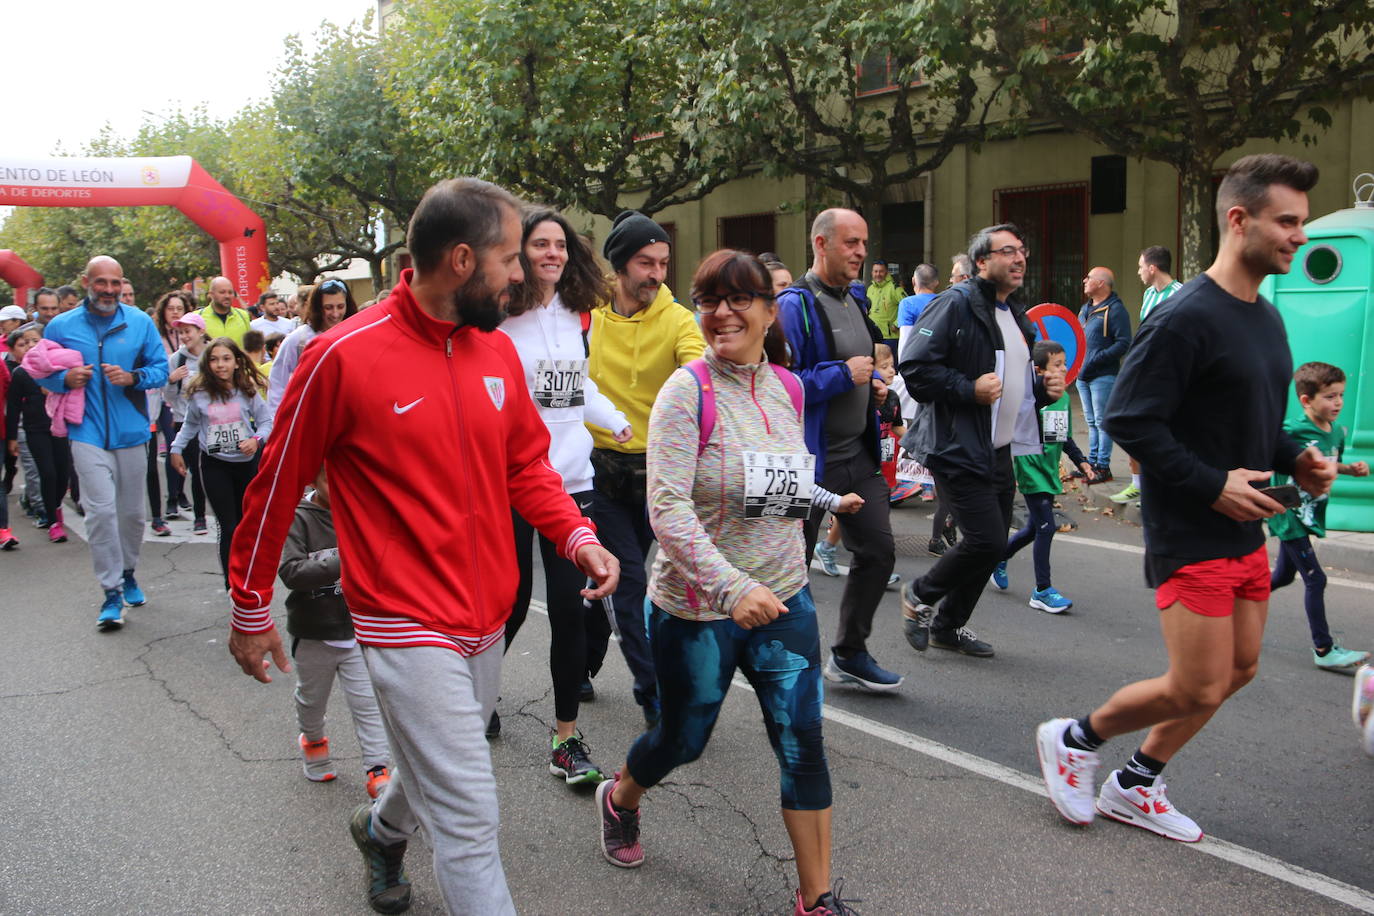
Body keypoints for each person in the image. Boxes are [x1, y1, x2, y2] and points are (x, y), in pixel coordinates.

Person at [226, 177, 619, 916]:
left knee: (443, 750)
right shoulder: (342, 356)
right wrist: (249, 608)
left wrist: (575, 535)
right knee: (470, 814)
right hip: (401, 616)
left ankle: (380, 832)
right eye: (511, 259)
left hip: (486, 614)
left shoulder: (496, 353)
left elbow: (526, 465)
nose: (526, 276)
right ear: (464, 260)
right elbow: (275, 486)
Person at [1035, 154, 1335, 843]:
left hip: (1246, 527)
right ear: (1239, 219)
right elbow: (1129, 419)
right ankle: (1074, 739)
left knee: (1238, 669)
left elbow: (1255, 421)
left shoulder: (1265, 318)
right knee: (1196, 684)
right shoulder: (1183, 318)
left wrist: (1300, 460)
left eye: (1302, 223)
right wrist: (1210, 484)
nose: (1298, 235)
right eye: (1287, 221)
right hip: (1190, 527)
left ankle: (1135, 784)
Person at [596, 250, 862, 916]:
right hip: (697, 607)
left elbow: (776, 480)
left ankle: (817, 898)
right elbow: (668, 508)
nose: (722, 313)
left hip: (784, 595)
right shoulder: (687, 392)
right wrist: (730, 589)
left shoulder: (790, 389)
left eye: (739, 298)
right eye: (708, 299)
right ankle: (621, 796)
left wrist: (828, 502)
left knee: (802, 739)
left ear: (771, 310)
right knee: (684, 739)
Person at [497, 206, 630, 776]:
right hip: (512, 480)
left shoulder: (580, 314)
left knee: (572, 612)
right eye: (539, 245)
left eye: (559, 245)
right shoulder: (498, 317)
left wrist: (614, 417)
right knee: (509, 605)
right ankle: (475, 698)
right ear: (519, 254)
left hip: (572, 481)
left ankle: (566, 738)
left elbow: (578, 389)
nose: (551, 253)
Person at [899, 223, 1065, 660]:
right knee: (987, 540)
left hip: (999, 448)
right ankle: (919, 593)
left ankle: (949, 626)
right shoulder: (953, 305)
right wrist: (966, 388)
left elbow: (1015, 387)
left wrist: (1044, 393)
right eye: (1007, 251)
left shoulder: (1016, 315)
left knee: (989, 546)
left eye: (1022, 250)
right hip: (956, 445)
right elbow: (914, 368)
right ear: (981, 262)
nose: (1018, 258)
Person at [587, 209, 705, 725]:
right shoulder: (584, 313)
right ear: (618, 266)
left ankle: (579, 665)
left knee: (611, 581)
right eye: (644, 262)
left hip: (656, 473)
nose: (656, 273)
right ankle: (652, 691)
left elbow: (698, 368)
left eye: (663, 262)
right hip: (595, 470)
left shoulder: (677, 318)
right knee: (630, 579)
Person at [779, 208, 902, 691]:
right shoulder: (795, 305)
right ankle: (786, 663)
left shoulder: (857, 301)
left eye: (864, 243)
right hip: (810, 463)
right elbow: (778, 384)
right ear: (821, 244)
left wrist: (875, 387)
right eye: (850, 243)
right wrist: (841, 376)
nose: (861, 252)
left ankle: (850, 652)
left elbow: (865, 367)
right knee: (793, 567)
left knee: (879, 552)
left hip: (857, 454)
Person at [34, 256, 169, 630]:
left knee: (130, 514)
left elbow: (160, 369)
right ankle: (110, 592)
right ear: (86, 282)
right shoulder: (61, 326)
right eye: (101, 283)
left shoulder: (139, 322)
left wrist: (131, 377)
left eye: (114, 283)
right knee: (100, 512)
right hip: (86, 431)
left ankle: (128, 572)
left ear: (121, 283)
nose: (108, 290)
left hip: (131, 431)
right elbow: (42, 372)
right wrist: (66, 379)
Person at [280, 465, 391, 797]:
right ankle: (313, 742)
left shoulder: (362, 511)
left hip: (357, 630)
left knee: (368, 703)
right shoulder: (299, 518)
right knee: (312, 701)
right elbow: (290, 571)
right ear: (313, 480)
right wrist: (347, 560)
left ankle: (377, 769)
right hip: (313, 631)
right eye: (332, 479)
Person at [1267, 361, 1370, 670]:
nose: (1337, 402)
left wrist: (1349, 469)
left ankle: (1236, 598)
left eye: (1340, 395)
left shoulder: (1335, 431)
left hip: (1311, 512)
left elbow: (1326, 463)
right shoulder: (1292, 430)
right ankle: (1324, 649)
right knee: (1316, 579)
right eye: (1329, 396)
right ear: (1306, 400)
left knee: (1284, 576)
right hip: (1290, 514)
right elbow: (1271, 449)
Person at [990, 340, 1095, 613]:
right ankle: (1042, 590)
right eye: (1056, 365)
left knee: (1034, 527)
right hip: (1030, 467)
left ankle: (999, 558)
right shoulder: (1030, 400)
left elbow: (1063, 436)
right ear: (1038, 371)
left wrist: (1082, 462)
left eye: (1064, 363)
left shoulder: (1060, 399)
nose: (1063, 369)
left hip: (1049, 470)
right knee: (1047, 527)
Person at [171, 337, 272, 590]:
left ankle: (250, 577)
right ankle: (232, 585)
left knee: (246, 524)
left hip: (247, 463)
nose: (220, 365)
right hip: (215, 463)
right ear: (207, 363)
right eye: (214, 359)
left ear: (237, 362)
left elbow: (267, 422)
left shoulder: (247, 389)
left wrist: (256, 440)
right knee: (228, 526)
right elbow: (191, 424)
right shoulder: (199, 393)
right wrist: (176, 449)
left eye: (226, 359)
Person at [1112, 246, 1185, 504]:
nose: (1139, 271)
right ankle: (1137, 484)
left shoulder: (1180, 294)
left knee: (1163, 432)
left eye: (1141, 266)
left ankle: (1161, 488)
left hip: (1168, 376)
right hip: (1145, 371)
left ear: (1153, 268)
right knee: (1134, 425)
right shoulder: (1148, 294)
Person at [7, 324, 72, 545]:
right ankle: (53, 522)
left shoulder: (57, 367)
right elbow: (14, 407)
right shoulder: (21, 372)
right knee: (48, 473)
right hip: (35, 430)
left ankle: (56, 506)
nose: (31, 345)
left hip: (60, 428)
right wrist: (12, 437)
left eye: (35, 340)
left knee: (63, 475)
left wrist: (55, 386)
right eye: (26, 342)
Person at [266, 279, 357, 416]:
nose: (335, 313)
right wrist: (277, 421)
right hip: (310, 415)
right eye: (328, 307)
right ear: (317, 307)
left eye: (340, 306)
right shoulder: (298, 339)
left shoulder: (354, 335)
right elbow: (278, 383)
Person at [1076, 266, 1131, 482]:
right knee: (1091, 421)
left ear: (1101, 283)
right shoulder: (1085, 309)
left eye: (1089, 277)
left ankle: (1103, 466)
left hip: (1103, 375)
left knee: (1102, 421)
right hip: (1083, 375)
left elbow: (1124, 343)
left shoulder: (1116, 310)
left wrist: (1097, 359)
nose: (1084, 280)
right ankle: (1092, 463)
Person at [164, 314, 210, 535]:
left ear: (200, 331)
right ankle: (200, 517)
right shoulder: (176, 360)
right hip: (185, 421)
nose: (184, 336)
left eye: (188, 331)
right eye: (181, 332)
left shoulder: (213, 354)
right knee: (198, 471)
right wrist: (171, 380)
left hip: (215, 422)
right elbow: (170, 397)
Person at [196, 277, 253, 347]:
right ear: (211, 294)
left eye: (230, 292)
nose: (227, 296)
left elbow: (250, 347)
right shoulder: (197, 317)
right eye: (222, 292)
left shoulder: (244, 316)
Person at [865, 259, 902, 352]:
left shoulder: (894, 288)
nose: (878, 274)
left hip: (889, 338)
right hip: (872, 336)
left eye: (881, 271)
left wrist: (897, 324)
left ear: (886, 272)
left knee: (889, 366)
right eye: (875, 271)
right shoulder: (870, 288)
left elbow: (908, 307)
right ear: (872, 272)